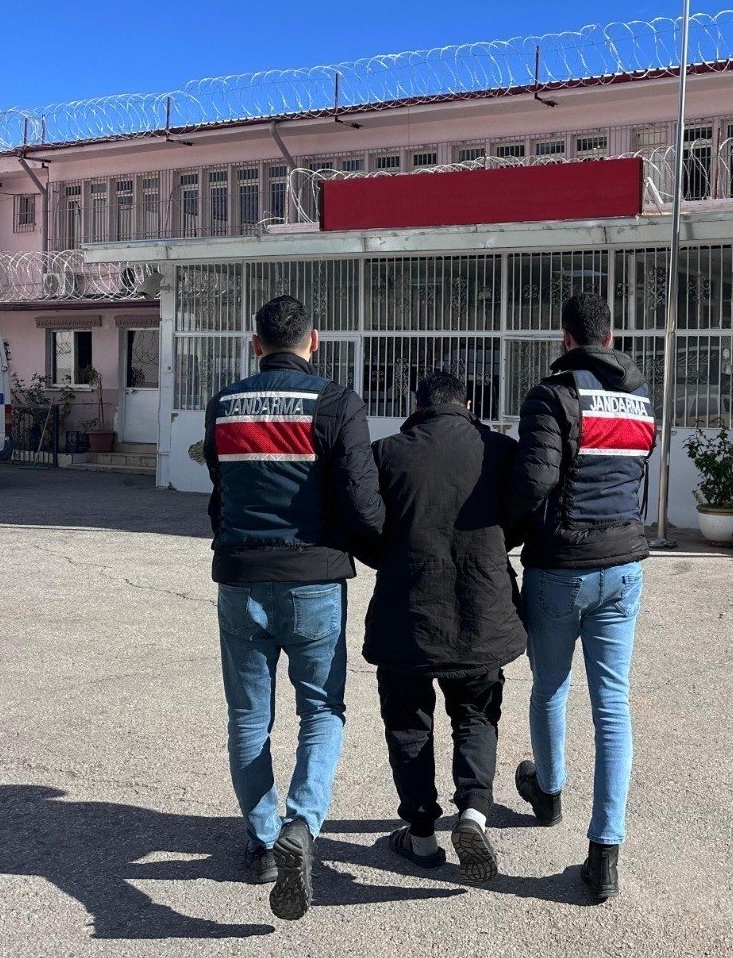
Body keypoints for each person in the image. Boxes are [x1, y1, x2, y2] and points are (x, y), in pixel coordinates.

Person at [203, 295, 384, 922]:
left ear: (256, 345)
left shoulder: (225, 404)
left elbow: (220, 492)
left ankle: (263, 841)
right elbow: (363, 505)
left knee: (248, 719)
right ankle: (302, 825)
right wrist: (387, 554)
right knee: (322, 710)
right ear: (316, 340)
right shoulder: (336, 403)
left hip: (240, 578)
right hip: (313, 580)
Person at [505, 292, 655, 902]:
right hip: (623, 565)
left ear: (566, 339)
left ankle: (548, 794)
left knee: (550, 687)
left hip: (561, 567)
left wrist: (502, 531)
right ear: (610, 339)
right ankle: (605, 855)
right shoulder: (640, 397)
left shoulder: (552, 396)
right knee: (612, 705)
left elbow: (533, 482)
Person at [360, 370, 525, 884]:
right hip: (481, 610)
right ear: (468, 404)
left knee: (408, 723)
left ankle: (422, 835)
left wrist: (391, 558)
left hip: (405, 613)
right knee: (476, 713)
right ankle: (473, 813)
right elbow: (523, 510)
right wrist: (496, 549)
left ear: (417, 406)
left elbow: (364, 522)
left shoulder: (387, 453)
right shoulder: (500, 450)